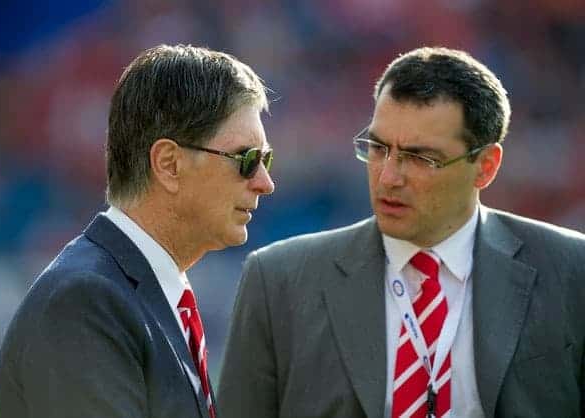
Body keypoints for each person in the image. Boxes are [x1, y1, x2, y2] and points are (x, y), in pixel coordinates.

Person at [218, 46, 585, 418]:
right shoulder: (279, 279)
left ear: (486, 166)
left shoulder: (572, 271)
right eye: (378, 148)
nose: (388, 177)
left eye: (421, 158)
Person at [0, 44, 274, 418]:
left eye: (265, 159)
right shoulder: (84, 301)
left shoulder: (137, 295)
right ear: (169, 164)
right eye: (247, 159)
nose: (265, 182)